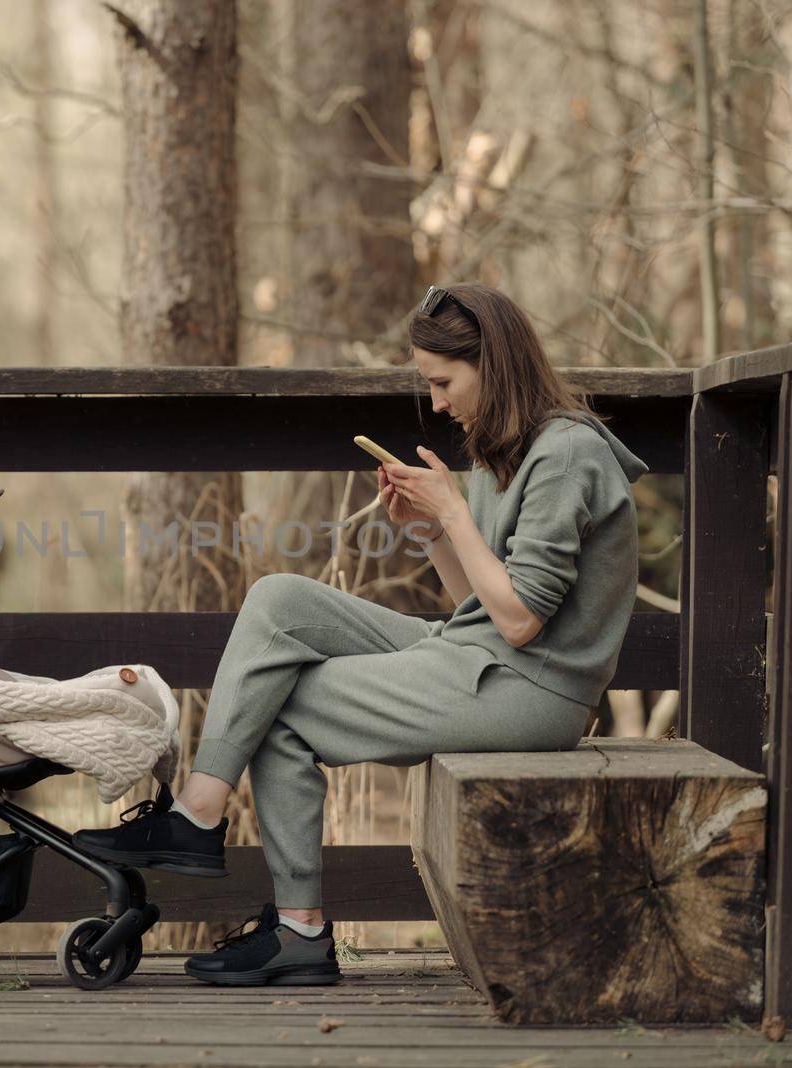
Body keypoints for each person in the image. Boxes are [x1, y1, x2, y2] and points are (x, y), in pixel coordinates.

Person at [73, 282, 650, 986]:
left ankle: (295, 926)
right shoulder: (509, 448)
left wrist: (456, 513)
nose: (437, 403)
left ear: (493, 365)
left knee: (280, 705)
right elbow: (480, 602)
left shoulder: (565, 456)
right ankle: (204, 818)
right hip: (482, 655)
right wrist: (432, 529)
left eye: (443, 382)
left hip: (531, 689)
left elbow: (523, 622)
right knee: (277, 600)